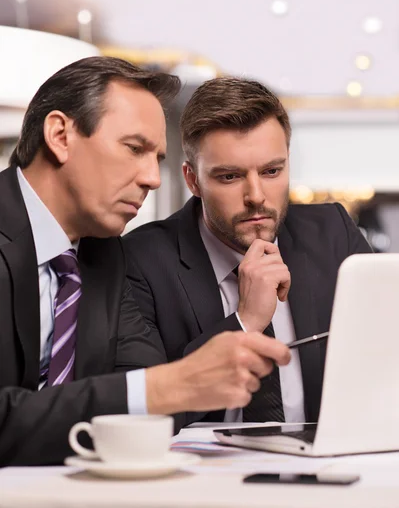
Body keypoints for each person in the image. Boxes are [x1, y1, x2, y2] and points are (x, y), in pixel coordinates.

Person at [0, 58, 290, 466]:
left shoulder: (105, 256)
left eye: (157, 159)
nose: (152, 178)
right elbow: (155, 390)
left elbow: (155, 386)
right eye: (135, 149)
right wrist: (164, 388)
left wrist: (170, 385)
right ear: (60, 135)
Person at [123, 76, 371, 425]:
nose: (256, 195)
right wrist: (245, 322)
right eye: (230, 177)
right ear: (193, 180)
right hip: (199, 473)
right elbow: (141, 411)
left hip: (323, 466)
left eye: (272, 171)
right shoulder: (140, 259)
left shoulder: (332, 231)